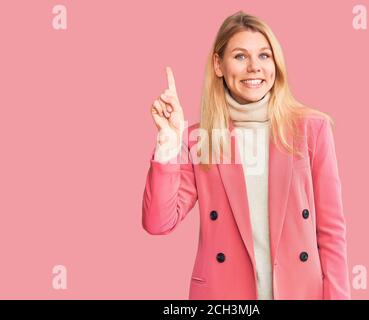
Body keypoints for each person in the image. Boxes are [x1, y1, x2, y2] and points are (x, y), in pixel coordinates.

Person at [142, 10, 351, 300]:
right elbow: (158, 222)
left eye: (264, 56)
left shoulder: (311, 129)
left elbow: (331, 231)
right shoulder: (199, 138)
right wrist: (168, 141)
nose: (255, 67)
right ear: (218, 64)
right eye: (240, 56)